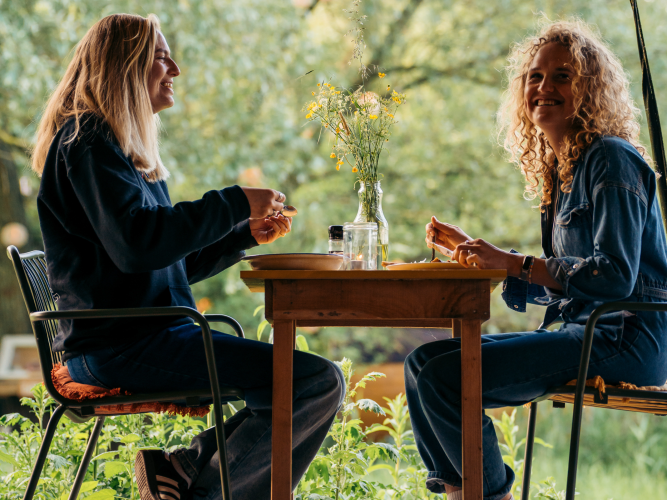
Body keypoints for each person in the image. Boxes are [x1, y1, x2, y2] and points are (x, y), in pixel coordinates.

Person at [31, 14, 345, 500]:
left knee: (306, 383)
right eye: (160, 56)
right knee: (315, 382)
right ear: (126, 68)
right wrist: (234, 202)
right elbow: (139, 246)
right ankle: (190, 479)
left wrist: (240, 235)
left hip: (147, 336)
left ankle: (183, 472)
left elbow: (163, 262)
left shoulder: (121, 150)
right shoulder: (86, 141)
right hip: (119, 349)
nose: (174, 68)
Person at [405, 19, 667, 500]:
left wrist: (512, 263)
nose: (545, 87)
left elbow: (613, 277)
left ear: (591, 89)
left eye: (563, 76)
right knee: (422, 363)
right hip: (585, 331)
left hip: (625, 339)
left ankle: (489, 495)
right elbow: (573, 281)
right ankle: (465, 493)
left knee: (444, 377)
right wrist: (486, 260)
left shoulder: (611, 159)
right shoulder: (564, 168)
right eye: (535, 76)